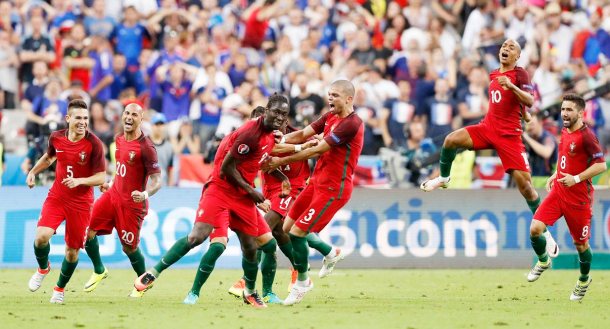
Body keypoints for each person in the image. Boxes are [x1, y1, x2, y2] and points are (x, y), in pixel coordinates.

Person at [134, 94, 290, 309]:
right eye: (276, 113)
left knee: (251, 247)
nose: (280, 118)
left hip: (242, 195)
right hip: (221, 189)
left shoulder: (272, 135)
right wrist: (253, 192)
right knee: (198, 236)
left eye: (284, 114)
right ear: (265, 112)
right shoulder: (249, 134)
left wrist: (283, 175)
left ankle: (251, 292)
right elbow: (227, 167)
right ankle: (153, 273)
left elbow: (263, 160)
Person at [419, 39, 559, 257]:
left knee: (526, 188)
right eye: (504, 46)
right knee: (450, 140)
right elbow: (515, 103)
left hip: (509, 137)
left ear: (517, 56)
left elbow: (529, 99)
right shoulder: (494, 74)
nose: (506, 49)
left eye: (511, 47)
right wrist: (523, 112)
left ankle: (546, 232)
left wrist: (515, 93)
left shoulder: (520, 75)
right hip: (487, 128)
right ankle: (444, 178)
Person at [261, 80, 364, 305]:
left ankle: (302, 283)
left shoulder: (352, 124)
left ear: (348, 99)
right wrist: (277, 140)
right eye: (329, 95)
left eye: (335, 95)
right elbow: (303, 135)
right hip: (315, 182)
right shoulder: (329, 117)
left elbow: (317, 149)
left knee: (297, 233)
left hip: (333, 189)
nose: (330, 99)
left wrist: (280, 159)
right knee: (286, 228)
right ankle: (330, 252)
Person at [526, 94, 606, 301]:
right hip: (559, 191)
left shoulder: (587, 136)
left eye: (569, 110)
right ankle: (544, 260)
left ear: (580, 113)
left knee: (581, 246)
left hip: (578, 199)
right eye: (563, 109)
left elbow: (601, 165)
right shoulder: (564, 130)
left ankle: (583, 279)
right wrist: (556, 174)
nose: (564, 113)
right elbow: (565, 157)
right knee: (535, 229)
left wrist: (577, 178)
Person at [26, 99, 106, 304]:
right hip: (58, 197)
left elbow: (101, 177)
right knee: (41, 237)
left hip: (81, 203)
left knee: (71, 253)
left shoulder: (94, 143)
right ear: (68, 118)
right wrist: (33, 172)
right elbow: (49, 157)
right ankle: (43, 268)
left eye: (86, 118)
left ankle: (59, 288)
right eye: (78, 118)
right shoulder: (56, 138)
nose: (83, 122)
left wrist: (80, 180)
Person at [83, 103, 162, 297]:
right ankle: (99, 270)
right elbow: (121, 171)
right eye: (127, 113)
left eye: (134, 115)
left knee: (129, 248)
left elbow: (157, 180)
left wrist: (145, 194)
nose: (129, 117)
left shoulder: (146, 147)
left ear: (141, 119)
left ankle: (141, 283)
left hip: (132, 204)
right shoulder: (118, 139)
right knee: (87, 232)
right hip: (113, 195)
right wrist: (110, 183)